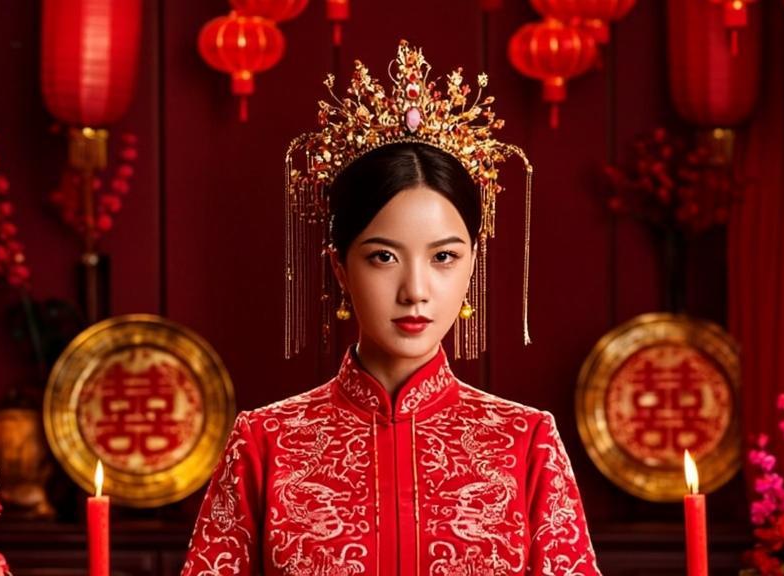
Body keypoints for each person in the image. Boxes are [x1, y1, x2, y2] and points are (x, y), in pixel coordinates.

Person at [181, 41, 601, 576]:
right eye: (383, 257)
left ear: (473, 265)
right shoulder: (266, 444)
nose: (416, 290)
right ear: (339, 269)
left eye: (444, 257)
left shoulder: (526, 443)